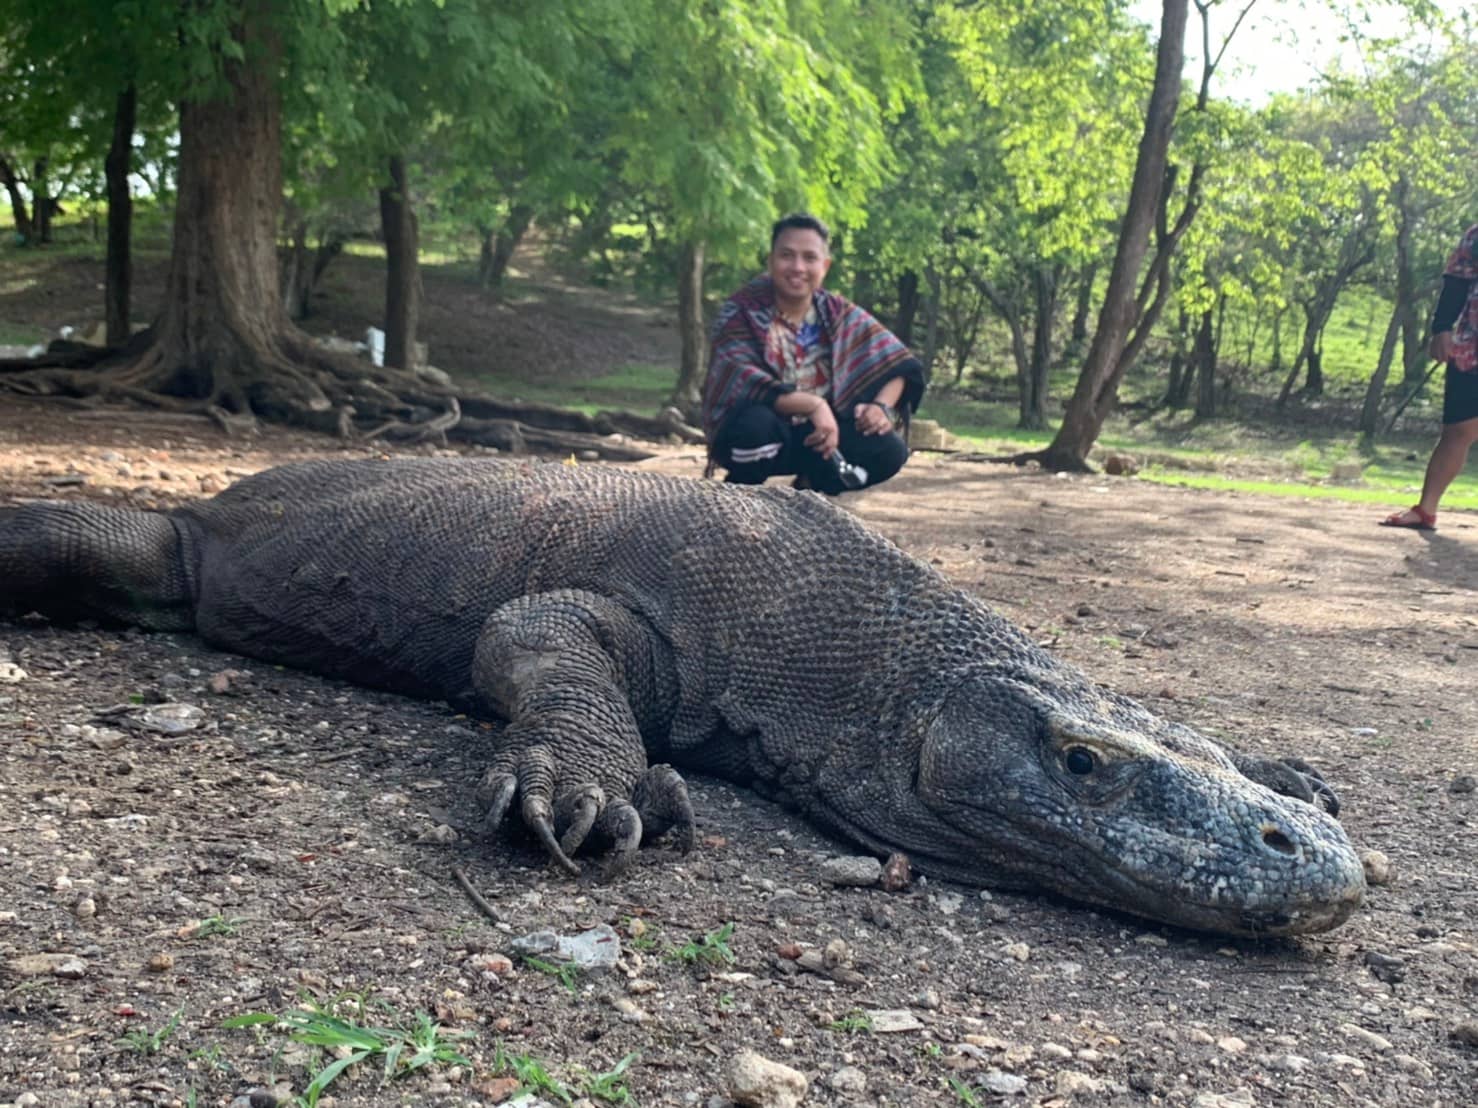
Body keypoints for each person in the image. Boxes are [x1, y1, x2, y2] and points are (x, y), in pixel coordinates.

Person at [702, 213, 926, 495]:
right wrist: (814, 405)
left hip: (820, 438)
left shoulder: (836, 313)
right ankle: (740, 498)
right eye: (787, 255)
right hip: (759, 434)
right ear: (770, 260)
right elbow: (742, 380)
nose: (798, 267)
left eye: (809, 258)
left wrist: (880, 407)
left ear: (825, 266)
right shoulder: (740, 311)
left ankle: (810, 491)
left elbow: (899, 363)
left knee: (889, 450)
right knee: (754, 428)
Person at [1381, 222, 1478, 531]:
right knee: (1458, 431)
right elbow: (1456, 281)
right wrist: (1442, 327)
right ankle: (1426, 510)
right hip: (1471, 348)